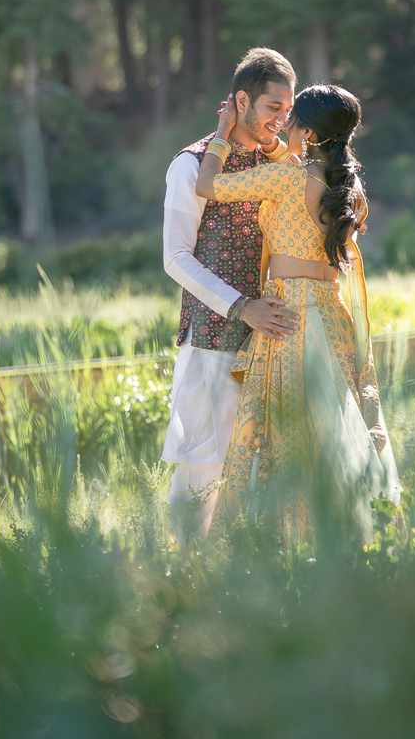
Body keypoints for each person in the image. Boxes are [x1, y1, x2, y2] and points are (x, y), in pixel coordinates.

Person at [196, 84, 401, 546]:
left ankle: (294, 542)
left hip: (289, 315)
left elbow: (206, 185)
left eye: (291, 122)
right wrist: (278, 146)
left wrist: (221, 135)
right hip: (332, 314)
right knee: (337, 429)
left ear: (306, 131)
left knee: (291, 433)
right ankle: (356, 538)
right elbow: (297, 170)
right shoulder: (349, 188)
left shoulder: (288, 180)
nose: (283, 126)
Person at [161, 47, 301, 539]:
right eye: (272, 108)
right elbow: (175, 258)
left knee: (267, 462)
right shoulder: (191, 164)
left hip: (273, 338)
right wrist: (243, 308)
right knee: (205, 463)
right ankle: (180, 581)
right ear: (241, 101)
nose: (282, 121)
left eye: (288, 110)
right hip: (215, 335)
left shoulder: (277, 165)